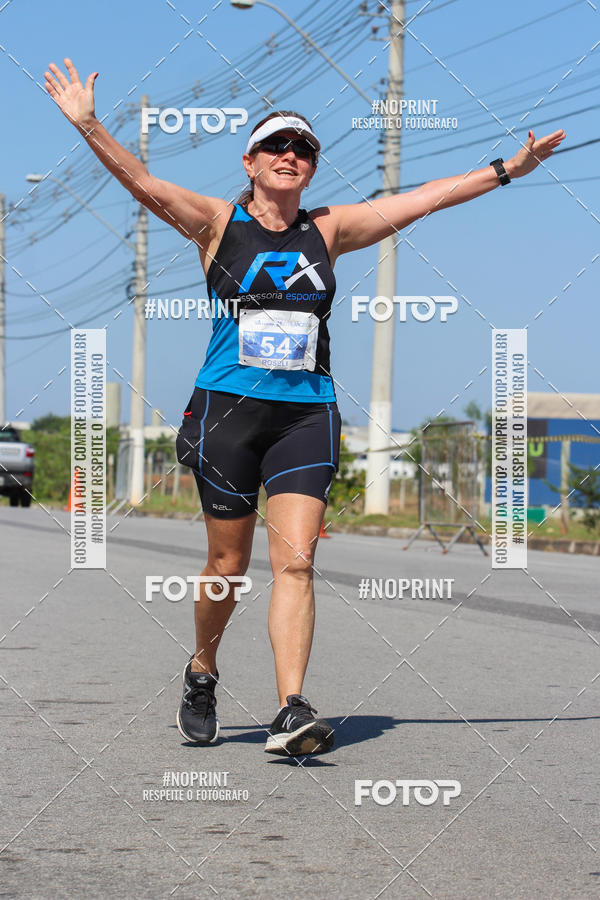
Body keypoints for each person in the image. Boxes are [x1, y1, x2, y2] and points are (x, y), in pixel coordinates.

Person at [44, 58, 565, 756]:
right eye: (278, 147)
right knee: (228, 566)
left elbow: (428, 197)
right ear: (251, 161)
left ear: (311, 168)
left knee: (295, 564)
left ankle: (290, 708)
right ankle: (203, 670)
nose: (291, 156)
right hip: (227, 412)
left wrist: (507, 169)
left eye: (304, 150)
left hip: (304, 415)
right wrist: (89, 126)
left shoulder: (331, 229)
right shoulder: (214, 224)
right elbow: (142, 183)